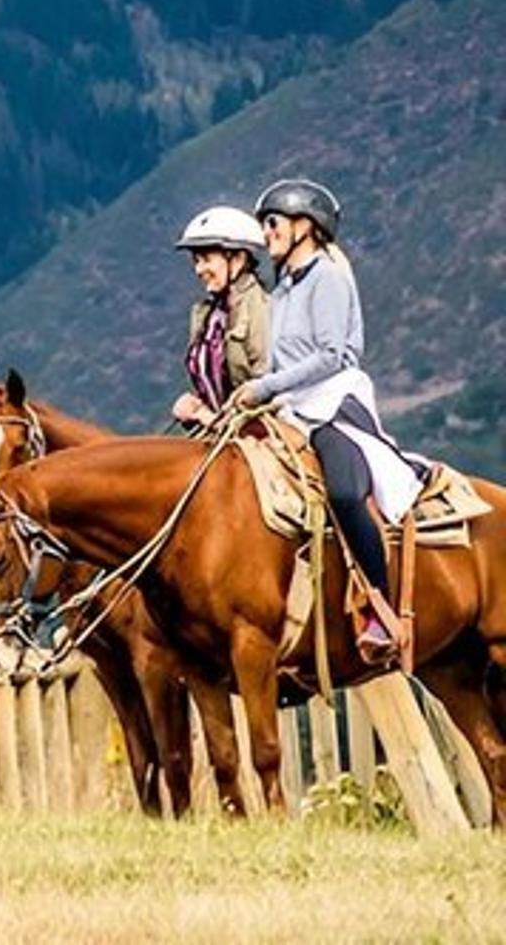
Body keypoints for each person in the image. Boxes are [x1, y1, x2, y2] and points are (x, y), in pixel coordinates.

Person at [229, 179, 414, 665]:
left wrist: (265, 387)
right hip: (291, 407)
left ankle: (380, 607)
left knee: (345, 493)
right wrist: (250, 398)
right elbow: (281, 360)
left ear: (304, 227)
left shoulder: (327, 276)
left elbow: (335, 355)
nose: (265, 232)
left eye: (273, 222)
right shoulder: (284, 287)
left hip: (333, 403)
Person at [169, 206, 270, 428]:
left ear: (238, 259)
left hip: (256, 433)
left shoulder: (261, 308)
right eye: (196, 261)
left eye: (206, 259)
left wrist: (210, 418)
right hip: (219, 435)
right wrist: (195, 405)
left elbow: (267, 387)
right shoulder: (205, 315)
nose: (199, 269)